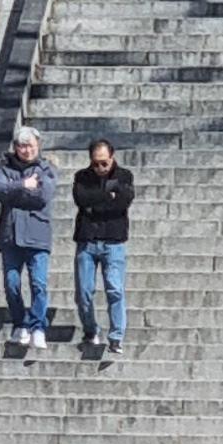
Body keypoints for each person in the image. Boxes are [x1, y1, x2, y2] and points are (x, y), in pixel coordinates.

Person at [0, 124, 55, 358]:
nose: (26, 150)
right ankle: (20, 323)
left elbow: (42, 197)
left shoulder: (46, 169)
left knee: (38, 283)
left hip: (37, 236)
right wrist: (23, 185)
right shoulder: (5, 169)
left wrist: (14, 194)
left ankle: (38, 325)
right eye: (21, 146)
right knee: (11, 283)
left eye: (30, 146)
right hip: (11, 236)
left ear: (38, 146)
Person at [73, 133, 133, 359]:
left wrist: (95, 202)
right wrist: (107, 194)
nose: (100, 168)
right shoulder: (82, 176)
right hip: (87, 240)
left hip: (113, 240)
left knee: (115, 289)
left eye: (104, 163)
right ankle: (90, 329)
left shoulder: (124, 176)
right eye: (95, 163)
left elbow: (123, 202)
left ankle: (116, 336)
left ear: (112, 157)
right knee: (84, 292)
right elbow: (81, 199)